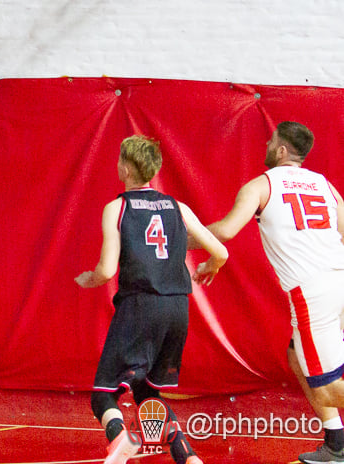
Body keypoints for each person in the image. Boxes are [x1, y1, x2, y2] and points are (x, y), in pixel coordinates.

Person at [75, 135, 228, 464]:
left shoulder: (117, 208)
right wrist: (208, 267)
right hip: (177, 308)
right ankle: (187, 455)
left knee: (103, 394)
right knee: (146, 392)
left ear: (126, 168)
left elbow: (105, 269)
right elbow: (221, 251)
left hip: (141, 305)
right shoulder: (178, 207)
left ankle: (120, 440)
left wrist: (90, 279)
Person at [201, 122, 344, 464]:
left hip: (312, 292)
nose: (266, 144)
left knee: (329, 387)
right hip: (338, 282)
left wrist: (186, 234)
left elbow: (227, 230)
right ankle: (337, 442)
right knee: (297, 357)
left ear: (281, 150)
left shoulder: (261, 185)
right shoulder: (325, 185)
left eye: (270, 140)